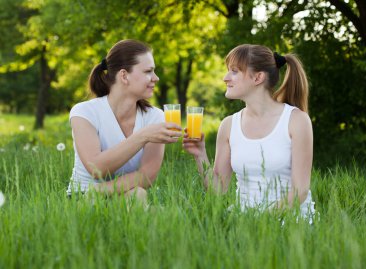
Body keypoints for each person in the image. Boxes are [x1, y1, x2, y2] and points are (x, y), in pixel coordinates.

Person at [183, 44, 315, 218]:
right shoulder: (229, 125)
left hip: (290, 220)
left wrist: (261, 221)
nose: (225, 78)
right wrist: (200, 154)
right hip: (244, 220)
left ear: (258, 77)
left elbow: (300, 191)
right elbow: (218, 190)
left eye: (234, 71)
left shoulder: (296, 120)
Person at [67, 39, 182, 203]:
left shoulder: (155, 117)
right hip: (84, 196)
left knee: (138, 195)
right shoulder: (84, 112)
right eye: (148, 71)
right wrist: (142, 136)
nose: (156, 78)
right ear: (124, 75)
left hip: (121, 192)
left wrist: (102, 189)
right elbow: (96, 168)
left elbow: (146, 176)